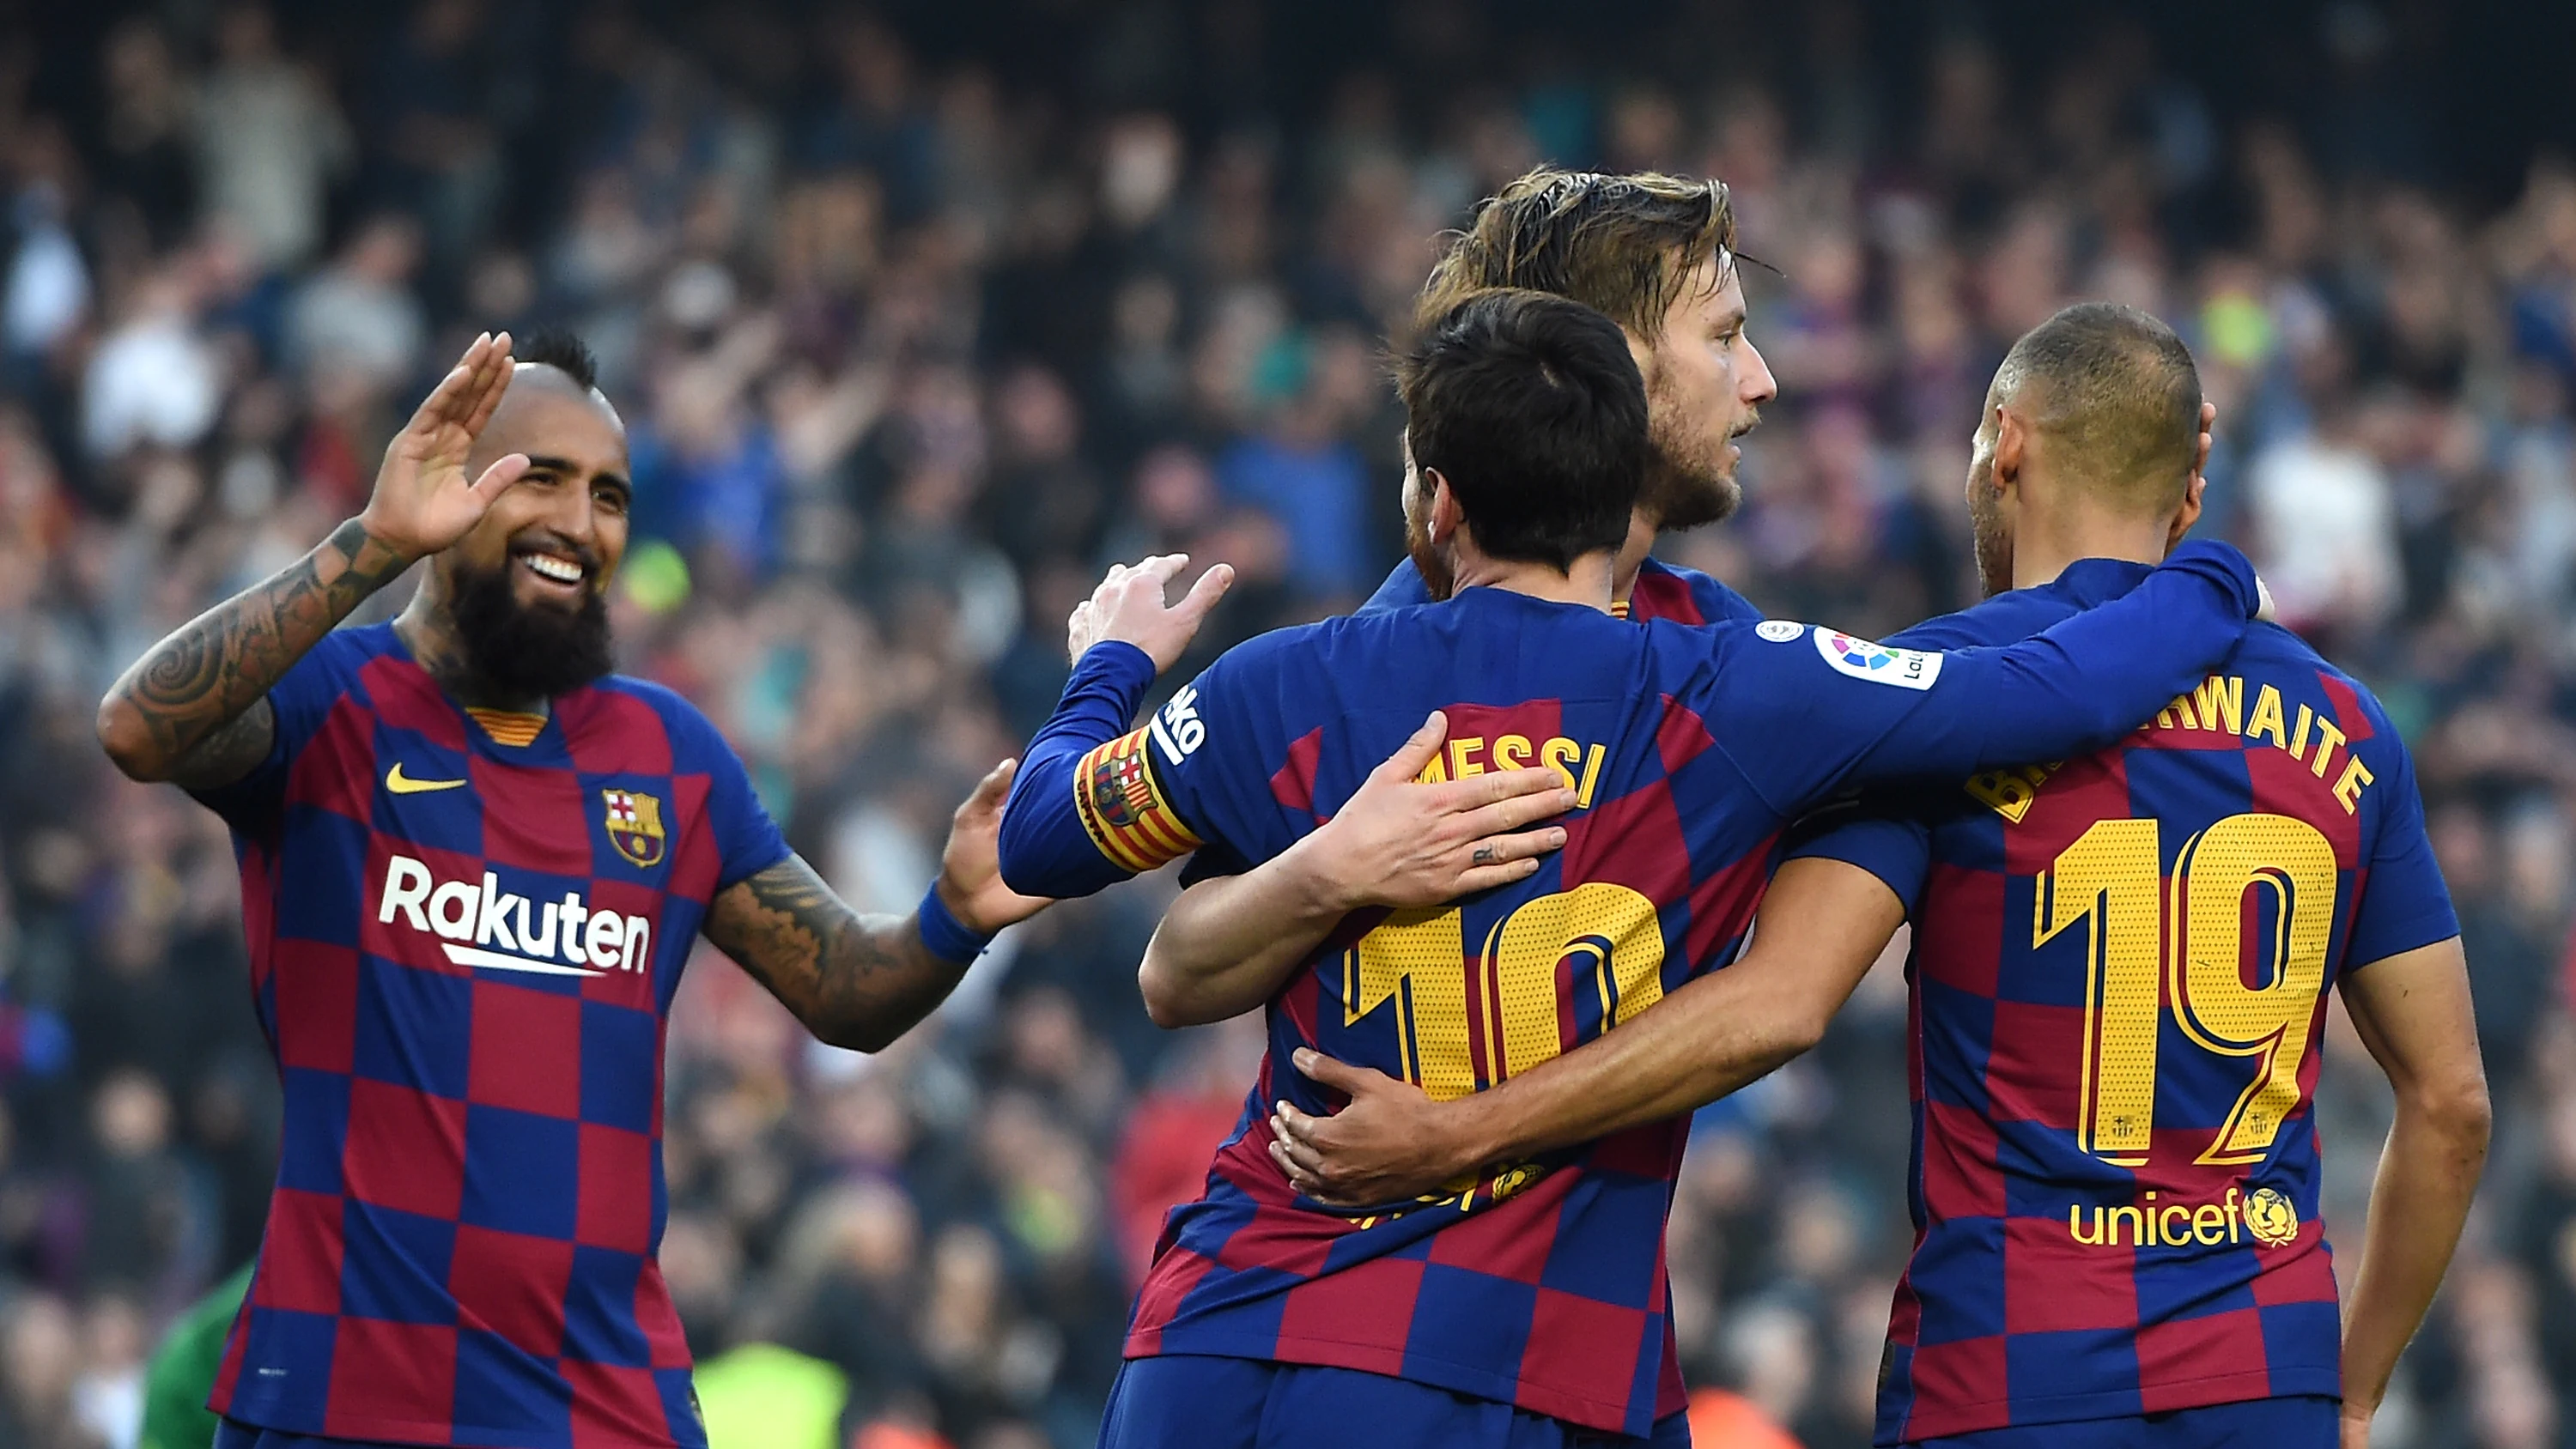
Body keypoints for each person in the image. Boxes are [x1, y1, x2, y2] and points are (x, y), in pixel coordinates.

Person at [993, 288, 2270, 1449]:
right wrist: (2211, 565)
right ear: (1625, 495)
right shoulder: (1730, 694)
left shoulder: (1284, 681)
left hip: (1216, 1341)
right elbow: (2059, 687)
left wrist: (1108, 661)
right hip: (1490, 1368)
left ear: (1439, 499)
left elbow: (1038, 834)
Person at [1268, 305, 2490, 1449]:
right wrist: (2354, 1383)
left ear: (2007, 447)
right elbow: (2450, 1110)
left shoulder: (1929, 706)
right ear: (2193, 487)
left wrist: (1460, 1132)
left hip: (2011, 1370)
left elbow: (1776, 1004)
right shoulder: (2347, 724)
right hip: (2259, 1372)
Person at [94, 330, 1050, 1449]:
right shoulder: (334, 708)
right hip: (347, 1393)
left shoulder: (670, 754)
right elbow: (139, 727)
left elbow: (845, 988)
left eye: (608, 494)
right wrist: (373, 544)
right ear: (448, 484)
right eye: (539, 476)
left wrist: (956, 917)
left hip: (601, 1404)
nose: (581, 522)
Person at [1361, 167, 1777, 625]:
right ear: (1605, 360)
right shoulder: (1365, 682)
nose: (1762, 383)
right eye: (1723, 338)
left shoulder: (1714, 625)